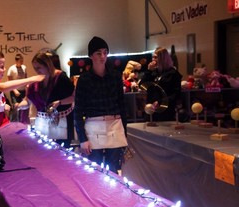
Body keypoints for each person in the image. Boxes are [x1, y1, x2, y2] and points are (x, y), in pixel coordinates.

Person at [0, 48, 45, 171]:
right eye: (1, 67)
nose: (4, 70)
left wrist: (3, 106)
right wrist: (31, 79)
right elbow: (4, 86)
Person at [74, 36, 128, 174]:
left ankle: (114, 196)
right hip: (93, 126)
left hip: (114, 125)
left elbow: (122, 106)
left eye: (105, 52)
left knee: (114, 170)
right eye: (98, 53)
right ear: (91, 55)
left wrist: (125, 135)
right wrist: (82, 139)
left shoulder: (115, 76)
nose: (103, 56)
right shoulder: (84, 80)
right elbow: (78, 110)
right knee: (94, 171)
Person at [17, 51, 75, 148]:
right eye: (35, 68)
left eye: (39, 67)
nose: (36, 70)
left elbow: (74, 97)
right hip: (43, 123)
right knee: (44, 152)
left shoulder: (61, 78)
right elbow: (28, 101)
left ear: (47, 65)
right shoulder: (36, 82)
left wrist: (60, 102)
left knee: (62, 152)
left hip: (61, 122)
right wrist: (19, 105)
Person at [139, 47, 182, 121]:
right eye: (152, 57)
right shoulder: (153, 72)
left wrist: (160, 102)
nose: (153, 60)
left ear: (162, 59)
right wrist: (148, 71)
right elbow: (142, 85)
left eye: (155, 57)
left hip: (165, 110)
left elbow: (176, 93)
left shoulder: (172, 73)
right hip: (151, 109)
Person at [7, 53, 29, 123]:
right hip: (15, 91)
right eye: (20, 60)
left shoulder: (24, 67)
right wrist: (15, 90)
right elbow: (9, 81)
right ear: (16, 61)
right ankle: (14, 122)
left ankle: (22, 122)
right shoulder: (11, 69)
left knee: (23, 106)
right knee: (16, 106)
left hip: (23, 91)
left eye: (22, 60)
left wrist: (27, 88)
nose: (22, 62)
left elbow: (26, 79)